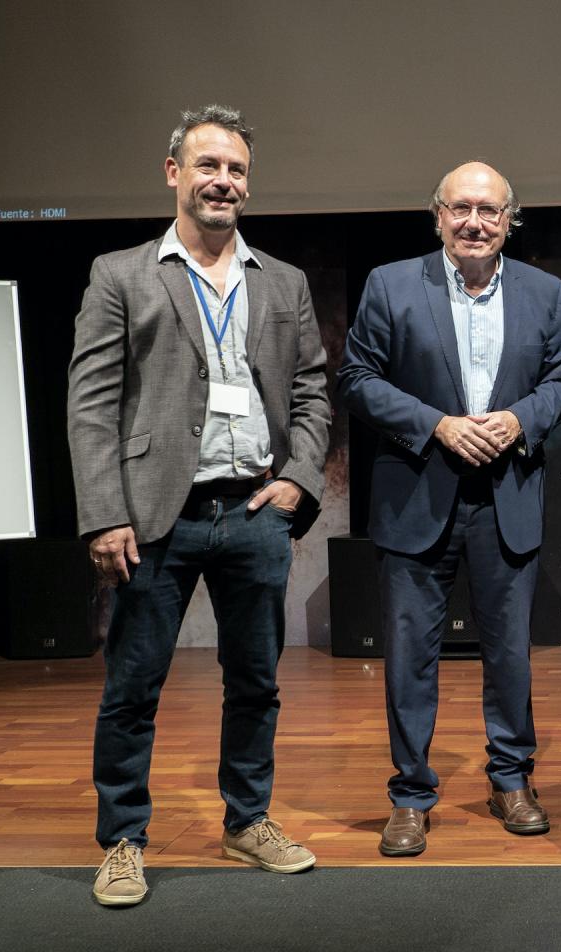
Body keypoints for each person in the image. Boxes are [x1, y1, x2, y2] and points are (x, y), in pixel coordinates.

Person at [67, 105, 331, 906]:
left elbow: (314, 389)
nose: (225, 181)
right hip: (156, 517)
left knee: (255, 681)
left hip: (254, 513)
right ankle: (121, 841)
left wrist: (300, 480)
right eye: (209, 165)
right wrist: (104, 512)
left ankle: (247, 821)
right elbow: (91, 404)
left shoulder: (283, 281)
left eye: (238, 170)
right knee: (133, 687)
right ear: (174, 172)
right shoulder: (121, 273)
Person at [338, 161, 561, 857]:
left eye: (490, 211)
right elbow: (357, 379)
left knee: (510, 656)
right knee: (411, 656)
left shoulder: (546, 292)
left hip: (508, 500)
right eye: (462, 209)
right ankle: (410, 795)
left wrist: (519, 419)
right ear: (436, 215)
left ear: (510, 221)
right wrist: (438, 425)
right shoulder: (390, 283)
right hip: (418, 494)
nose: (475, 222)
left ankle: (512, 779)